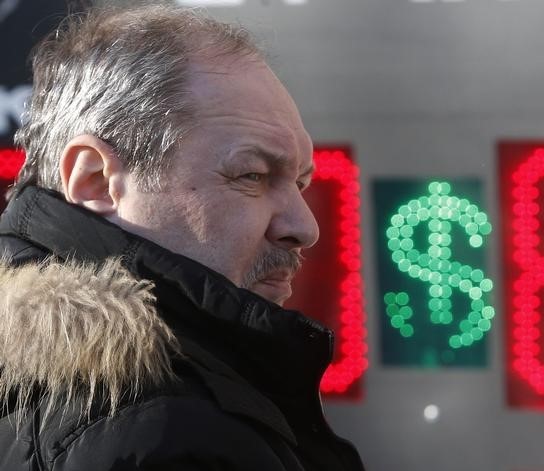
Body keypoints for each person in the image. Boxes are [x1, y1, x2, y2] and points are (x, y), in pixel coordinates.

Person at [0, 5, 364, 470]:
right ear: (94, 179)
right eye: (251, 175)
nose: (304, 228)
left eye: (300, 184)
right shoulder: (170, 434)